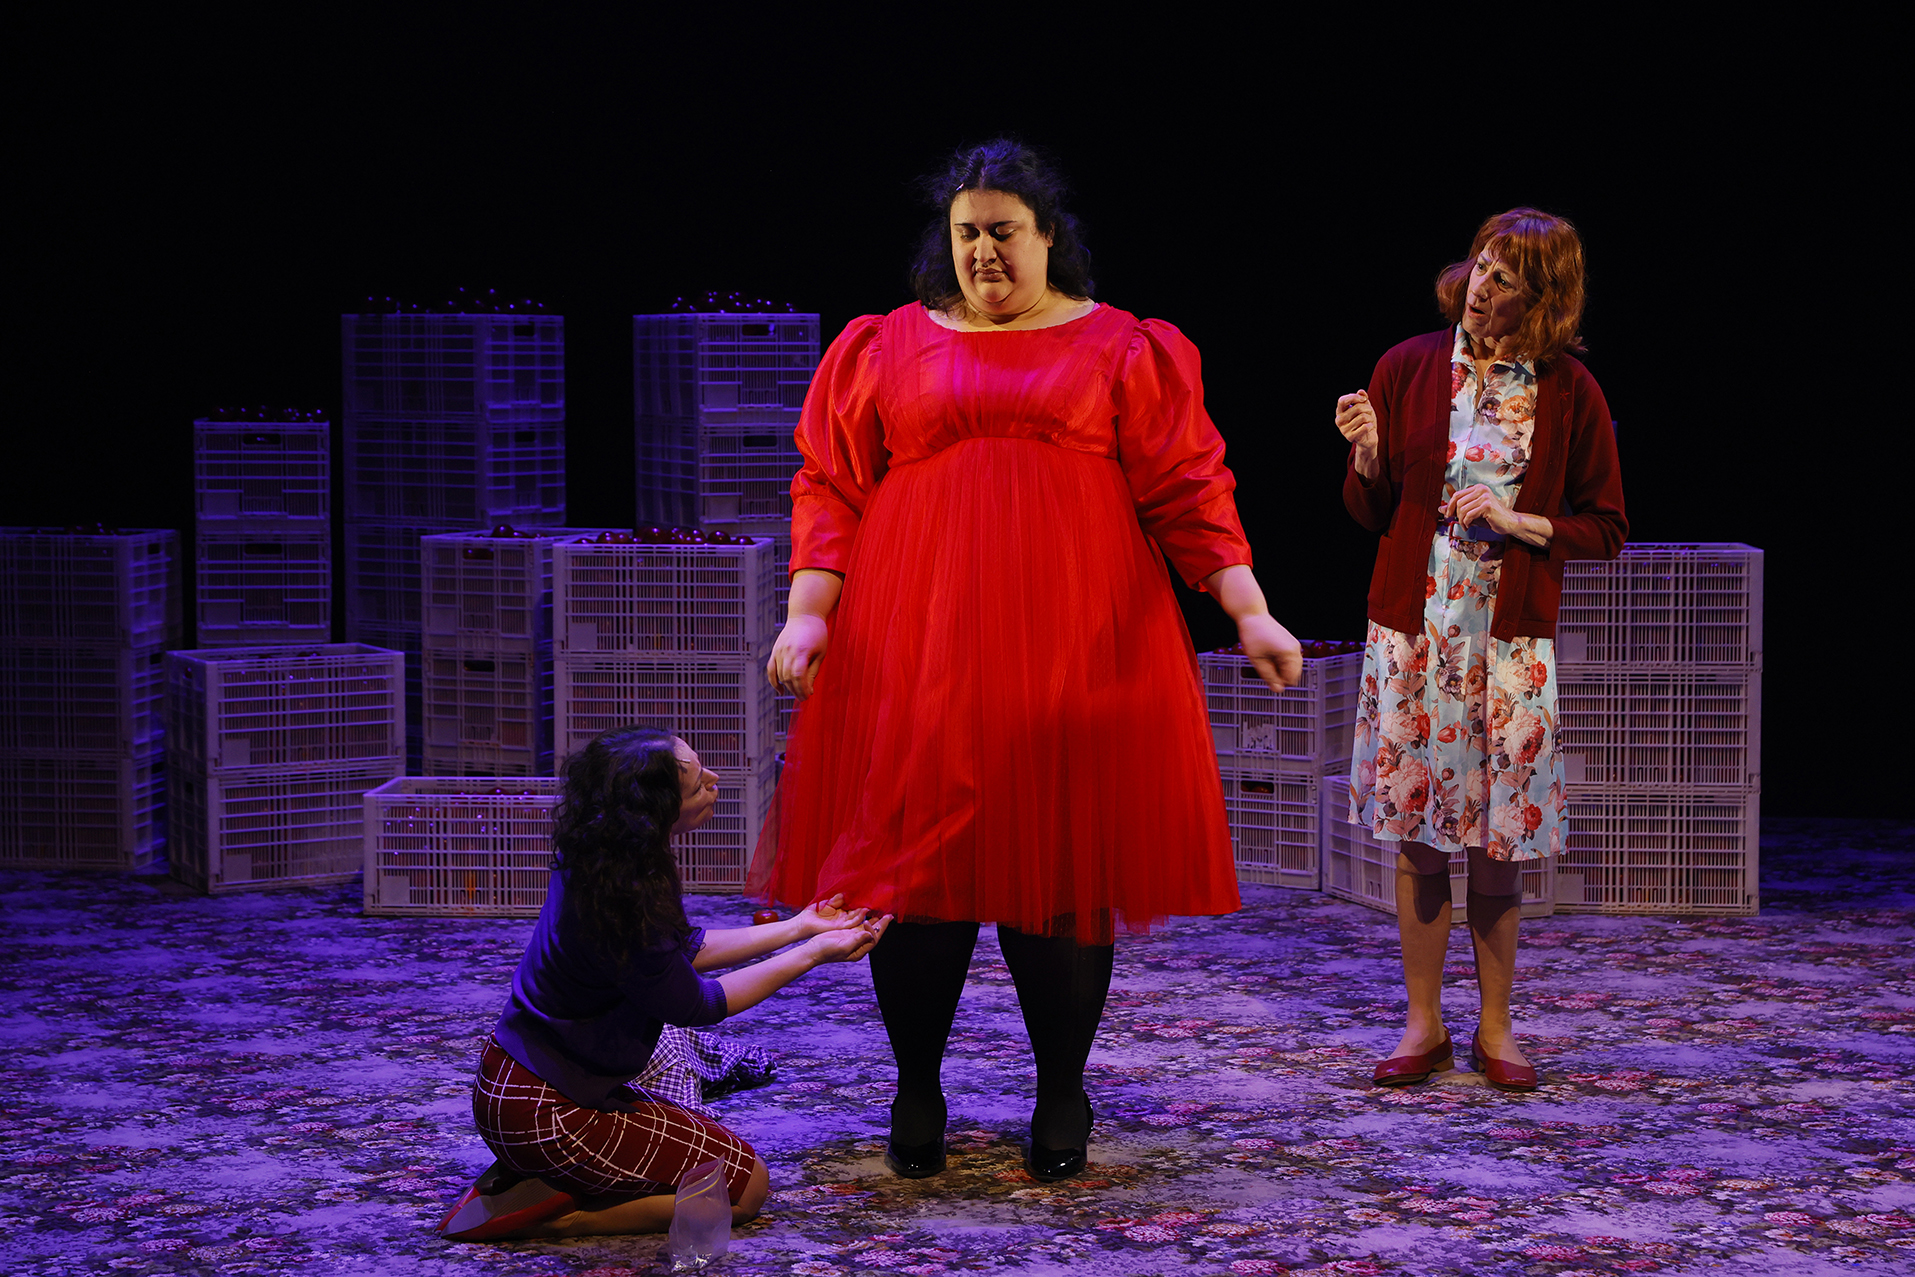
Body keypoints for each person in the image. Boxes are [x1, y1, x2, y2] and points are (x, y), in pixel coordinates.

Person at [749, 140, 1301, 1182]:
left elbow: (1187, 485)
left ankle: (1062, 1087)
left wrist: (1250, 609)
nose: (984, 252)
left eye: (1004, 230)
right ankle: (917, 1081)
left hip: (1076, 637)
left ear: (1050, 236)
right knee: (915, 871)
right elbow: (831, 483)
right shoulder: (884, 345)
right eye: (967, 233)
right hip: (920, 639)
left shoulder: (1124, 347)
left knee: (1058, 871)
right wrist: (807, 612)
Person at [1337, 208, 1626, 1094]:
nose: (1480, 288)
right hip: (1414, 639)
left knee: (1497, 850)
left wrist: (1514, 521)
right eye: (1478, 267)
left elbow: (1606, 525)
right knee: (1420, 844)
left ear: (1542, 298)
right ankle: (1421, 1024)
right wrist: (1369, 459)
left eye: (1503, 277)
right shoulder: (1406, 366)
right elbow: (1366, 512)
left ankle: (1495, 1027)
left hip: (1504, 651)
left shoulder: (1568, 391)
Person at [440, 726, 889, 1242]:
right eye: (698, 785)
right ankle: (562, 1217)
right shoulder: (624, 899)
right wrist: (811, 954)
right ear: (655, 812)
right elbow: (699, 1003)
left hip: (515, 1087)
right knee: (743, 1188)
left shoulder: (603, 856)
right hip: (548, 1112)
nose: (715, 783)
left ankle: (539, 1181)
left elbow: (684, 947)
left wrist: (798, 927)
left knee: (706, 1152)